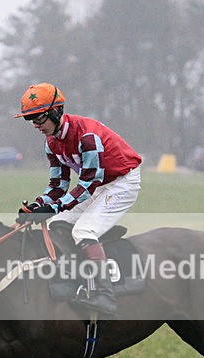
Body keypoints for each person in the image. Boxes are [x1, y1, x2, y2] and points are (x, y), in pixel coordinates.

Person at [14, 82, 142, 316]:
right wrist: (37, 206)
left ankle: (105, 295)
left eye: (39, 118)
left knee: (83, 231)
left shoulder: (87, 137)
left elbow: (88, 183)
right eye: (30, 120)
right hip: (98, 185)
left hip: (121, 183)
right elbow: (58, 186)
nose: (35, 125)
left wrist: (53, 207)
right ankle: (77, 278)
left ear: (56, 112)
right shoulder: (51, 143)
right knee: (56, 223)